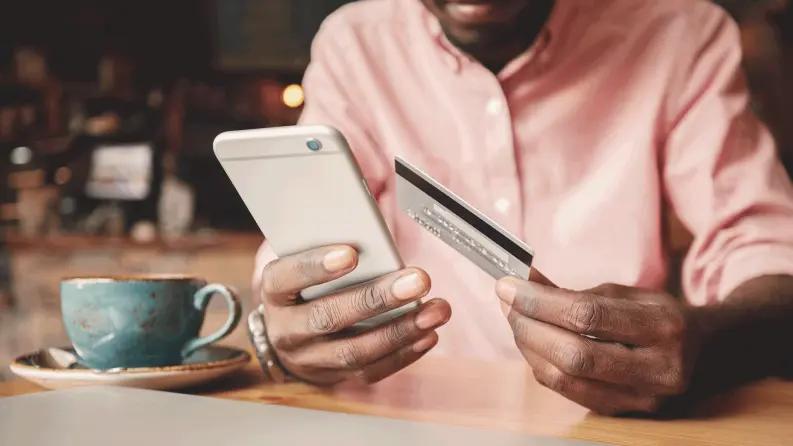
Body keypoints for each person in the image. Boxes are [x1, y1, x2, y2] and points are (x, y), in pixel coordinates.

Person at [252, 0, 793, 415]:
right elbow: (305, 255)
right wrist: (288, 330)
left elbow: (765, 247)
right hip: (413, 421)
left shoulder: (681, 33)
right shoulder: (357, 44)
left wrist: (714, 343)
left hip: (617, 429)